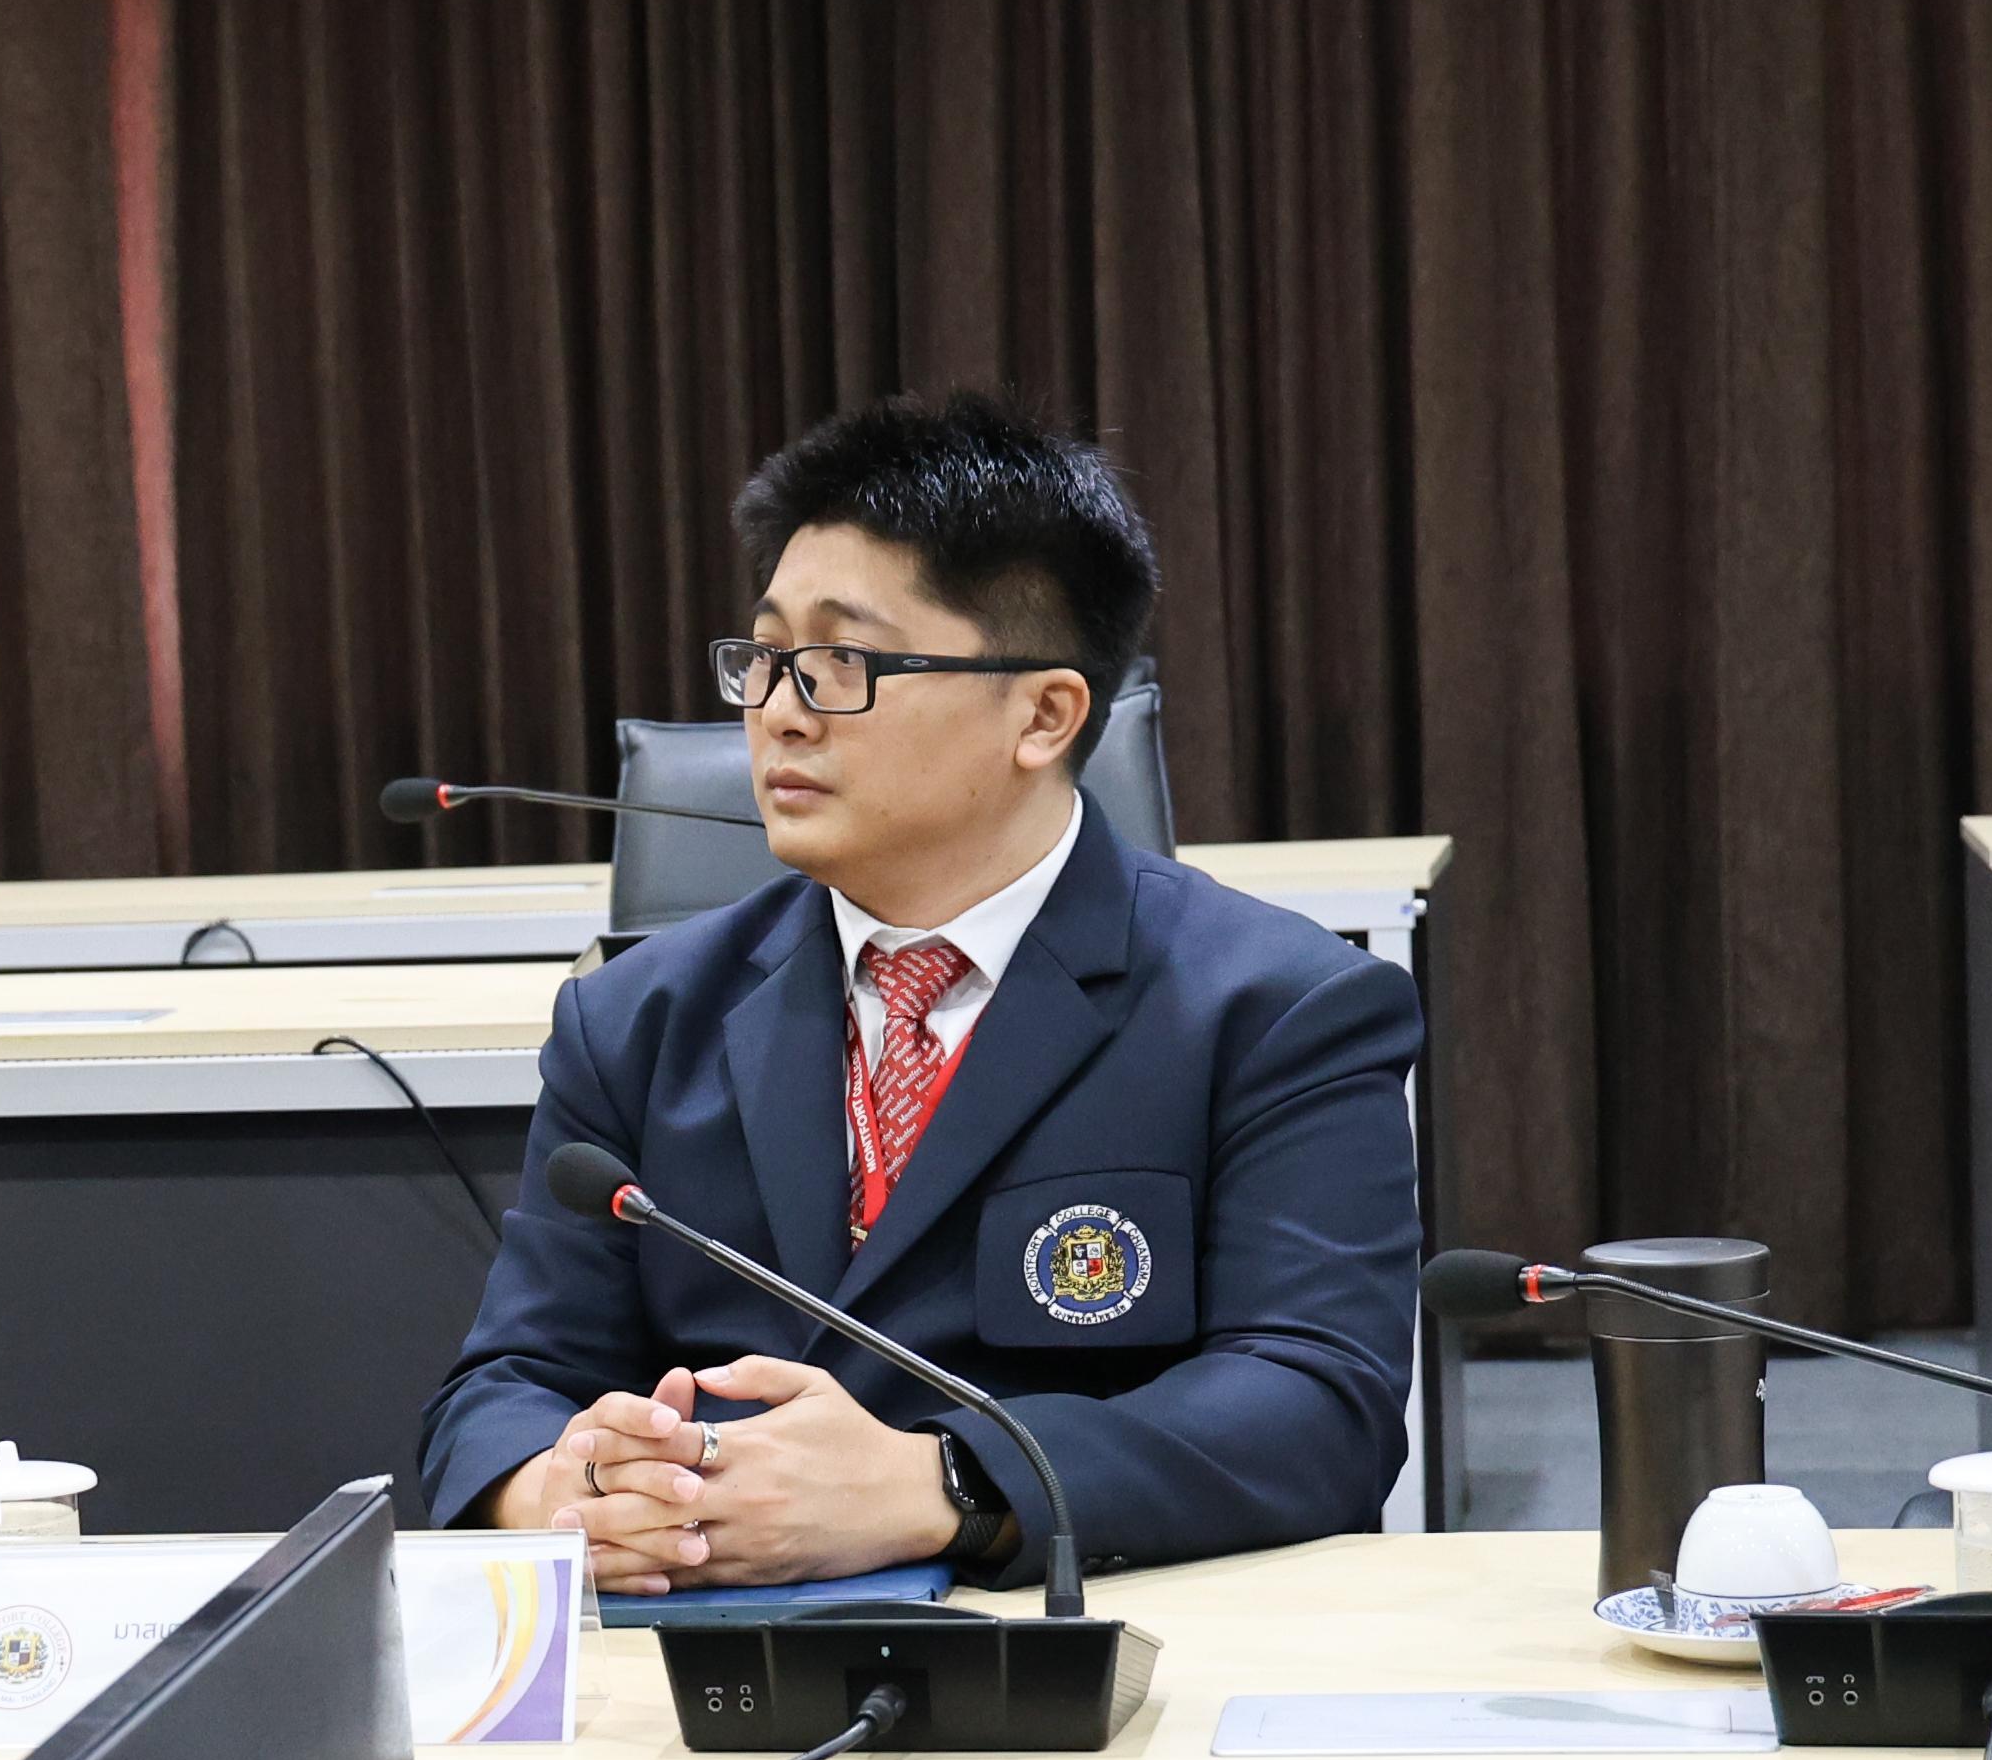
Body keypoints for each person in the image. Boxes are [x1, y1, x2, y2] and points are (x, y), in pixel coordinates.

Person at [418, 396, 1423, 1586]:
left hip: (1084, 1642)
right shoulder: (638, 1018)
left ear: (1043, 714)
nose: (778, 711)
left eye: (843, 663)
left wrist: (943, 1483)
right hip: (701, 1648)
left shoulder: (1277, 1007)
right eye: (766, 657)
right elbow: (508, 1383)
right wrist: (559, 1490)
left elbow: (1316, 1404)